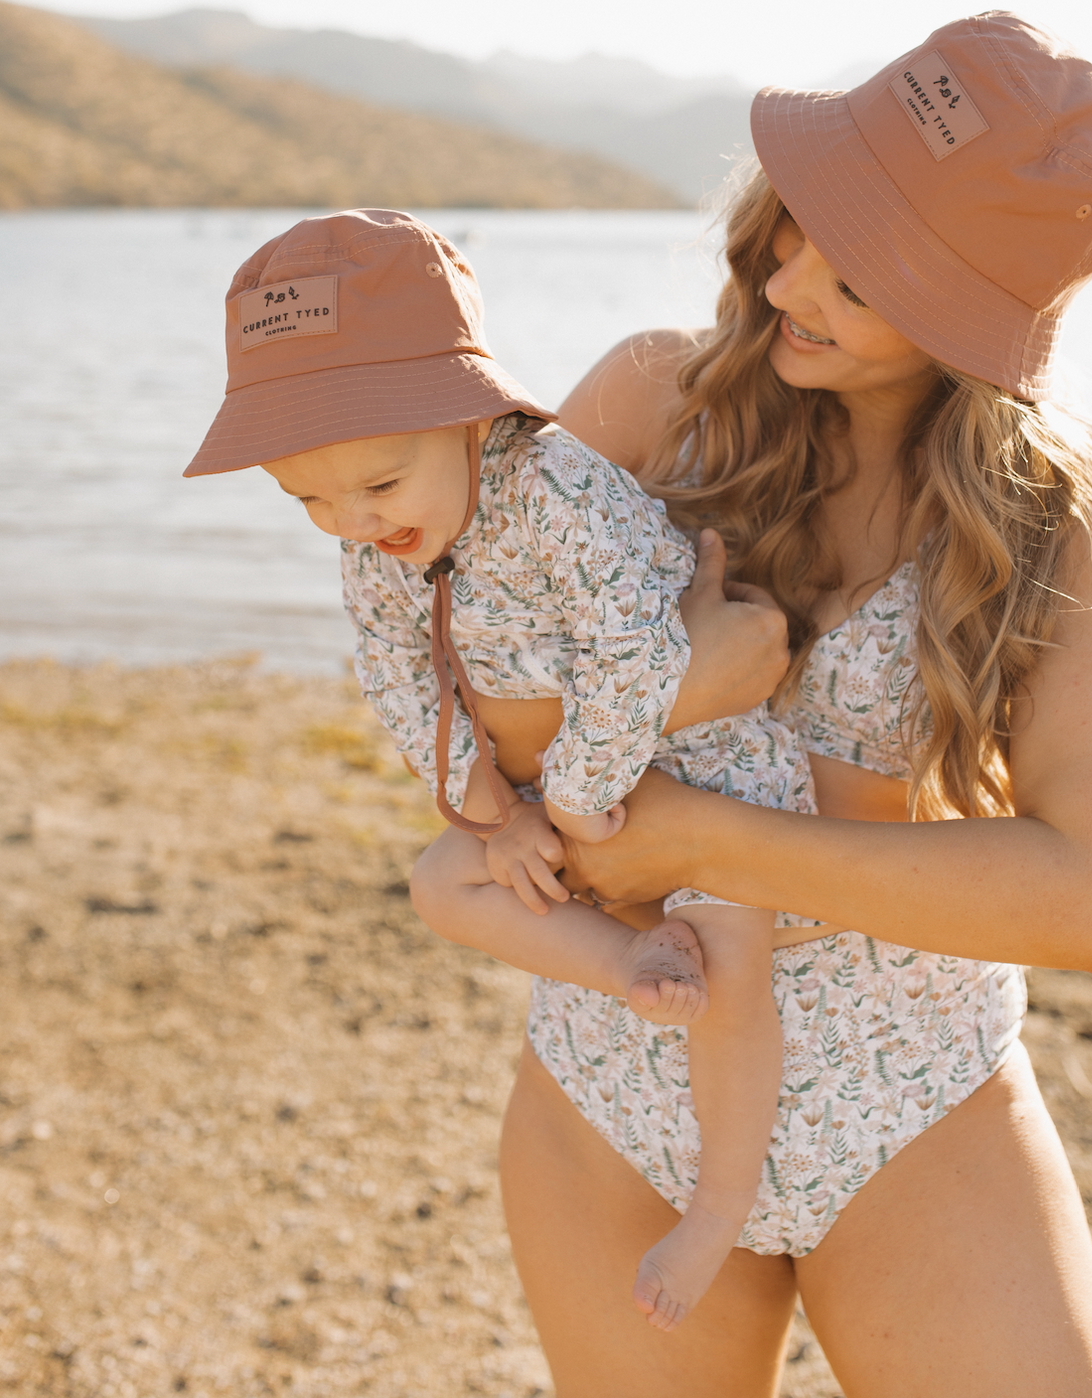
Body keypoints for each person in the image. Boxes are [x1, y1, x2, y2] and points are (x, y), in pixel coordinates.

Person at [493, 13, 1092, 1397]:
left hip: (914, 1095)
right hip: (623, 1082)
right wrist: (678, 690)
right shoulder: (649, 407)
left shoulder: (1080, 507)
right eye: (798, 222)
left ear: (967, 314)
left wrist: (701, 837)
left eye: (859, 275)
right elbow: (465, 730)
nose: (790, 275)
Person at [182, 209, 836, 1332]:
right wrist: (492, 814)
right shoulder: (372, 537)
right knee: (443, 883)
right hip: (560, 791)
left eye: (378, 483)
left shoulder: (564, 493)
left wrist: (575, 806)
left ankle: (719, 1202)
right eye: (308, 500)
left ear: (471, 416)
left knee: (736, 957)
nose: (349, 520)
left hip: (704, 762)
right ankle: (635, 956)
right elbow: (397, 673)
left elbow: (640, 649)